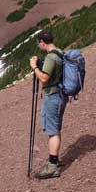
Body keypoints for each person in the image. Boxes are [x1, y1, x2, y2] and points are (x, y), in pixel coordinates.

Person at [29, 30, 68, 179]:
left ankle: (52, 166)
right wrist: (41, 63)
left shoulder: (51, 57)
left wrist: (34, 66)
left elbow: (44, 78)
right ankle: (54, 160)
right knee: (55, 128)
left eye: (39, 43)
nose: (39, 45)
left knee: (53, 131)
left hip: (53, 96)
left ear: (42, 42)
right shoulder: (59, 52)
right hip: (59, 94)